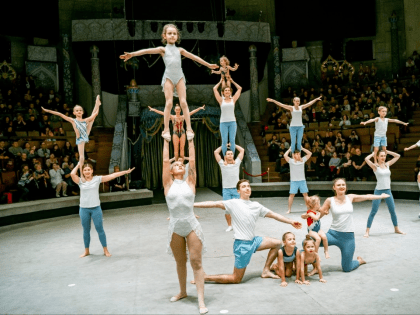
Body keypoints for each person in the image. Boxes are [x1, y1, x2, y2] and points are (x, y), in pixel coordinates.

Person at [120, 24, 218, 142]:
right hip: (168, 78)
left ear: (177, 36)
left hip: (180, 77)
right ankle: (166, 130)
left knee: (183, 102)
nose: (172, 35)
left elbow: (194, 57)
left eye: (174, 33)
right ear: (164, 36)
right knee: (169, 103)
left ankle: (189, 130)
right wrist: (132, 54)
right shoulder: (163, 50)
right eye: (169, 33)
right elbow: (146, 51)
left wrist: (208, 65)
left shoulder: (180, 50)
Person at [192, 179, 302, 285]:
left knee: (277, 243)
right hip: (242, 245)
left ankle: (266, 270)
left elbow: (274, 215)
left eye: (248, 186)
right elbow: (213, 203)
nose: (247, 188)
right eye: (243, 186)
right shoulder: (233, 203)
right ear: (238, 191)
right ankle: (204, 277)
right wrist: (192, 205)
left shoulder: (256, 206)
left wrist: (291, 221)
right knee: (236, 278)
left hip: (254, 241)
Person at [161, 136, 208, 314]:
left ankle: (201, 300)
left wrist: (190, 142)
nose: (180, 165)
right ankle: (182, 291)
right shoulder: (168, 184)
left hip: (191, 224)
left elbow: (193, 161)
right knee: (180, 262)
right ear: (171, 171)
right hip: (175, 226)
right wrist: (166, 141)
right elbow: (166, 161)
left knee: (196, 262)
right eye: (176, 165)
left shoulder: (190, 181)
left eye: (182, 164)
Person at [301, 178, 389, 272]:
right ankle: (315, 268)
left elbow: (367, 196)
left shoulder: (350, 197)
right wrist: (307, 217)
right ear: (334, 187)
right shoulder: (329, 200)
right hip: (333, 234)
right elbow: (319, 215)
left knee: (347, 268)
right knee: (306, 243)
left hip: (348, 237)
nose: (341, 186)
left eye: (343, 184)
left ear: (346, 187)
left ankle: (359, 261)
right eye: (338, 185)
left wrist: (381, 196)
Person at [70, 162, 134, 258]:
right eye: (85, 170)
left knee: (100, 229)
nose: (87, 171)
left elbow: (112, 176)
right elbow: (72, 174)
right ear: (82, 172)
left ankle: (105, 250)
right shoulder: (80, 181)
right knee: (86, 230)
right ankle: (86, 250)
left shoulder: (97, 179)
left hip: (96, 208)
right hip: (84, 209)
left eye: (89, 170)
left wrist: (125, 172)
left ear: (92, 171)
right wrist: (79, 164)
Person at [42, 95, 101, 177]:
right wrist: (47, 111)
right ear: (74, 113)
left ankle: (97, 103)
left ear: (83, 112)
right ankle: (82, 175)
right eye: (77, 110)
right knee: (81, 158)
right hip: (80, 138)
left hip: (86, 133)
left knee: (92, 118)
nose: (79, 111)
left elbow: (96, 114)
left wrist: (97, 106)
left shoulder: (85, 120)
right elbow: (60, 114)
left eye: (80, 110)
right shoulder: (73, 120)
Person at [363, 151, 405, 237]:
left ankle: (396, 228)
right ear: (377, 157)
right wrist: (373, 153)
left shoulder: (387, 164)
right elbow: (366, 159)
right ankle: (367, 231)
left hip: (388, 191)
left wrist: (387, 151)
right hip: (378, 191)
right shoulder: (375, 166)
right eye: (381, 156)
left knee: (392, 211)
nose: (383, 157)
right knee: (373, 211)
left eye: (384, 156)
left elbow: (398, 156)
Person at [214, 144, 245, 232]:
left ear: (233, 155)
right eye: (228, 154)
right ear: (225, 156)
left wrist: (233, 145)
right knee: (227, 209)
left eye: (231, 154)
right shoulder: (222, 164)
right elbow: (216, 152)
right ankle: (230, 225)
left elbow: (242, 150)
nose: (230, 155)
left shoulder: (237, 163)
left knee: (238, 208)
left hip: (236, 190)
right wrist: (224, 145)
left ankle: (239, 226)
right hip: (226, 190)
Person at [213, 77, 242, 156]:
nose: (227, 91)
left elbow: (239, 88)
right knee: (224, 141)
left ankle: (232, 157)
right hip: (223, 123)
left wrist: (232, 81)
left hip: (232, 122)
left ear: (230, 92)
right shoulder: (221, 100)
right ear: (223, 92)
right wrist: (220, 82)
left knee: (232, 140)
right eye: (225, 90)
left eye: (228, 90)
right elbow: (214, 89)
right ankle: (225, 157)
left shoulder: (233, 99)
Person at [283, 147, 312, 214]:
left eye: (299, 154)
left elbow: (310, 153)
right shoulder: (291, 161)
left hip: (302, 181)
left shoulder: (303, 160)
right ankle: (289, 209)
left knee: (305, 194)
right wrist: (289, 149)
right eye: (297, 154)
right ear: (294, 155)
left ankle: (308, 208)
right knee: (291, 195)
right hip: (294, 181)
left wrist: (302, 148)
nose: (298, 155)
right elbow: (285, 155)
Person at [304, 196, 330, 264]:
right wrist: (319, 213)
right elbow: (315, 218)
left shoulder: (317, 210)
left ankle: (326, 251)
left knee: (324, 237)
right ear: (313, 205)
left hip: (318, 229)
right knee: (318, 239)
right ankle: (315, 254)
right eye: (318, 203)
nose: (319, 205)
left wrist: (325, 212)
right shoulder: (310, 212)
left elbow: (324, 212)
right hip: (311, 231)